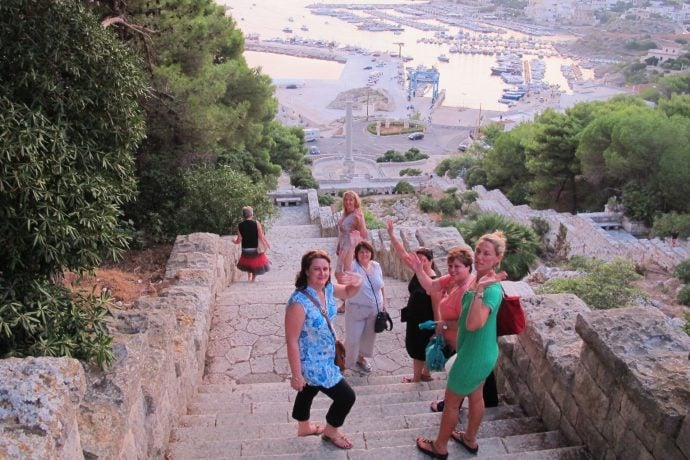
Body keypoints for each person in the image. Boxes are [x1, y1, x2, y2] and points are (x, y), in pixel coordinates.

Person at [413, 232, 508, 458]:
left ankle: (440, 446)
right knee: (476, 397)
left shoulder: (490, 288)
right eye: (478, 251)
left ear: (497, 259)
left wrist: (481, 290)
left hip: (473, 356)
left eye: (487, 254)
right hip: (481, 352)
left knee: (452, 403)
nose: (480, 257)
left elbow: (475, 323)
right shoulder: (479, 280)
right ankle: (470, 439)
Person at [285, 250, 363, 450]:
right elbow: (291, 341)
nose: (322, 273)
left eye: (326, 269)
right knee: (346, 397)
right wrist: (296, 375)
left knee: (308, 389)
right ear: (306, 272)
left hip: (327, 355)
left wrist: (358, 280)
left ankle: (303, 427)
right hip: (312, 362)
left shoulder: (327, 289)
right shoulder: (298, 303)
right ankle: (331, 431)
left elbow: (347, 293)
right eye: (317, 269)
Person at [386, 219, 442, 383]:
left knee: (419, 350)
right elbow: (402, 253)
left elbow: (437, 306)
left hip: (425, 322)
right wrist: (391, 234)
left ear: (431, 261)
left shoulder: (432, 280)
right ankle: (426, 374)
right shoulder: (419, 272)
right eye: (417, 259)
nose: (419, 262)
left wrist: (437, 327)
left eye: (423, 259)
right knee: (422, 349)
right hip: (414, 318)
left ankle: (417, 379)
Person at [344, 241, 384, 373]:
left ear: (371, 253)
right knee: (353, 338)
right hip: (356, 309)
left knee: (368, 337)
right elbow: (346, 266)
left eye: (367, 251)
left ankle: (360, 358)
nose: (364, 254)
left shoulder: (376, 266)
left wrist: (384, 305)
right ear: (357, 254)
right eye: (361, 252)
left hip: (375, 309)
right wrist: (351, 246)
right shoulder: (354, 267)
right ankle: (345, 362)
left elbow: (381, 286)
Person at [335, 191, 368, 312]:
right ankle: (348, 301)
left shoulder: (357, 214)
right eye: (346, 200)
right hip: (343, 246)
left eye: (351, 200)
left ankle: (348, 303)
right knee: (340, 274)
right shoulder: (346, 213)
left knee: (344, 275)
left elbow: (364, 233)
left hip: (350, 247)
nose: (348, 202)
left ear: (355, 201)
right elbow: (342, 232)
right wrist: (339, 245)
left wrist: (356, 244)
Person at [233, 206, 270, 282]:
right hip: (255, 247)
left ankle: (249, 277)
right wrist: (266, 243)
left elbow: (239, 240)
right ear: (251, 214)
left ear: (243, 215)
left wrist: (234, 241)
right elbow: (261, 236)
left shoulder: (240, 225)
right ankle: (253, 279)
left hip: (245, 248)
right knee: (255, 263)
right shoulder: (256, 223)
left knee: (248, 262)